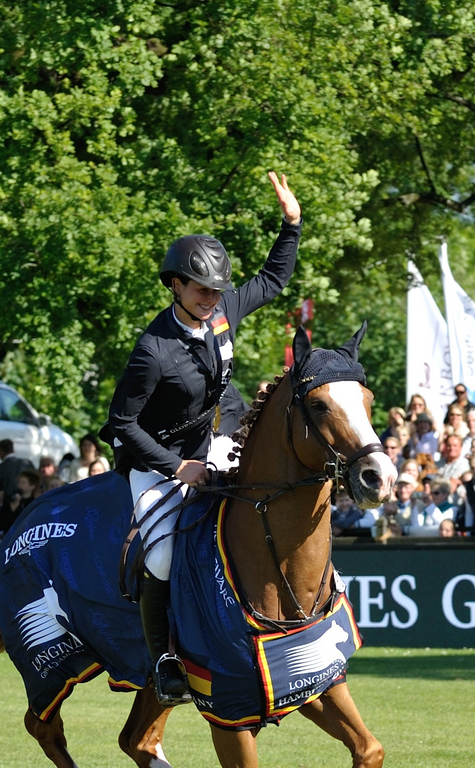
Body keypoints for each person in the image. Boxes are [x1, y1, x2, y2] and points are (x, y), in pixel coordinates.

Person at [104, 170, 302, 704]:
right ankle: (164, 659)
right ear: (174, 284)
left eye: (217, 290)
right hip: (157, 454)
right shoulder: (153, 350)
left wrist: (291, 224)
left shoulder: (219, 314)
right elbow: (122, 424)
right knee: (164, 555)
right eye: (200, 289)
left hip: (214, 437)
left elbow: (273, 280)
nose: (212, 298)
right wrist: (176, 467)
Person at [0, 439, 35, 503]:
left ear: (1, 451)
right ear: (13, 450)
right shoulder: (27, 463)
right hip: (28, 504)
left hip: (6, 505)